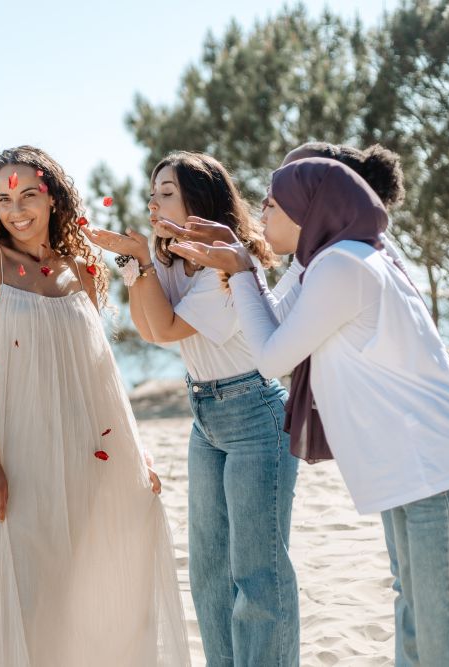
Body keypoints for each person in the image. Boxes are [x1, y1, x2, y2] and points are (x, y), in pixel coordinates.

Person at [171, 157, 449, 666]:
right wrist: (241, 263)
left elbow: (272, 355)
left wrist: (242, 268)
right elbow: (273, 318)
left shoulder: (343, 264)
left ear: (306, 209)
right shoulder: (322, 261)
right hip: (418, 473)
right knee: (418, 637)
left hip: (443, 471)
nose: (261, 215)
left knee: (447, 648)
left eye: (270, 205)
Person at [0, 145, 189, 665]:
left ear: (52, 198)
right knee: (34, 589)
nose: (16, 209)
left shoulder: (79, 265)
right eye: (4, 198)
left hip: (85, 445)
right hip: (17, 446)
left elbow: (97, 367)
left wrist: (135, 448)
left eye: (29, 194)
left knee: (89, 582)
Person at [87, 152, 299, 666]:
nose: (153, 202)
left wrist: (138, 260)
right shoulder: (174, 256)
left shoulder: (227, 263)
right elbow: (148, 326)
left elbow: (164, 329)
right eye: (152, 192)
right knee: (207, 571)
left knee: (257, 573)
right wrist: (141, 262)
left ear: (198, 201)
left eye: (166, 193)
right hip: (206, 415)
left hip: (255, 414)